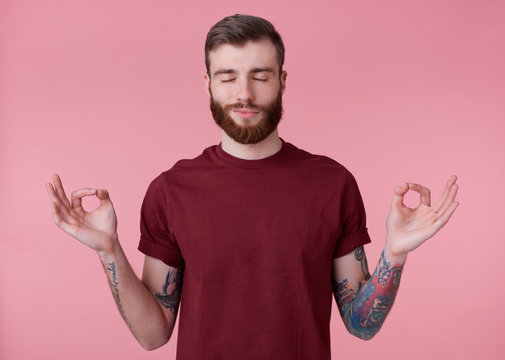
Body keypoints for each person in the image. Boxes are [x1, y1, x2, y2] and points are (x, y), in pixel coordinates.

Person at [46, 14, 459, 360]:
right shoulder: (170, 191)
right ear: (208, 85)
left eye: (259, 77)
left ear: (282, 81)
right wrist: (109, 250)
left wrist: (395, 254)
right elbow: (153, 335)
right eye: (228, 78)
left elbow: (360, 326)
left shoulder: (333, 184)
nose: (244, 94)